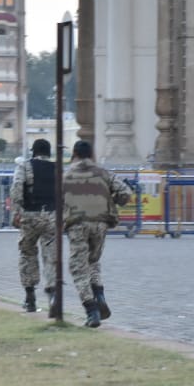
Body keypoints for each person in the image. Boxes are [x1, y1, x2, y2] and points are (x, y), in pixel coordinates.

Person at [62, 139, 132, 327]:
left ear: (74, 154)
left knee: (78, 267)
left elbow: (58, 202)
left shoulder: (66, 175)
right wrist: (112, 201)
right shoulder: (104, 173)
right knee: (93, 262)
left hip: (77, 225)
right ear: (91, 154)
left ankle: (91, 309)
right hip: (100, 224)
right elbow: (126, 193)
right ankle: (99, 293)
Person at [9, 139, 58, 312]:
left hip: (30, 215)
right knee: (51, 256)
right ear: (49, 152)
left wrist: (16, 212)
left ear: (33, 152)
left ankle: (30, 297)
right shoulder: (57, 168)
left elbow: (16, 188)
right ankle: (52, 295)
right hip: (52, 216)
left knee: (27, 253)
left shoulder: (25, 166)